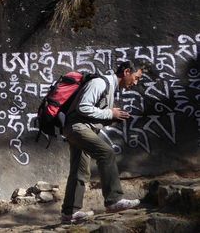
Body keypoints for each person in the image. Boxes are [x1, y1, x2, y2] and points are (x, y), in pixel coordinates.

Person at [60, 60, 144, 224]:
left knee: (79, 170)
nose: (136, 82)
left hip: (79, 129)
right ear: (127, 72)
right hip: (78, 128)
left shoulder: (111, 87)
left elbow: (93, 113)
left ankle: (69, 213)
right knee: (106, 152)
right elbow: (83, 107)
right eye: (136, 77)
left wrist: (113, 117)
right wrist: (109, 113)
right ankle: (113, 201)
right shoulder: (100, 82)